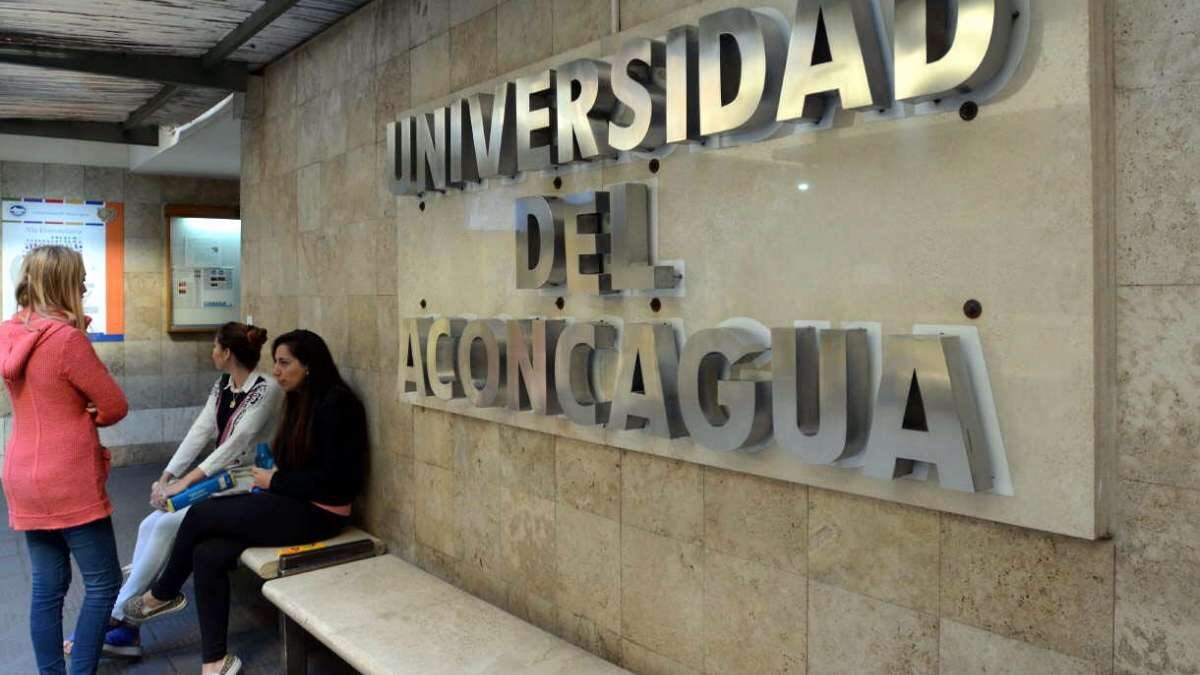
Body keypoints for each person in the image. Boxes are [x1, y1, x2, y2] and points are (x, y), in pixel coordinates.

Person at [123, 329, 367, 675]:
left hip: (321, 513)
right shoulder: (299, 399)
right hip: (288, 501)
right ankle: (215, 662)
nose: (277, 371)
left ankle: (162, 593)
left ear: (309, 365)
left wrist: (276, 480)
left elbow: (340, 483)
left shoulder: (338, 403)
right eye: (275, 363)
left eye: (285, 363)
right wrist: (275, 477)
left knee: (202, 515)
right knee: (206, 554)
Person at [71, 322, 282, 660]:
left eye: (215, 347)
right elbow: (200, 431)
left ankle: (117, 615)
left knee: (168, 524)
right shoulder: (224, 385)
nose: (212, 353)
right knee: (148, 524)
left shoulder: (266, 389)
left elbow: (239, 442)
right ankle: (126, 621)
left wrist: (186, 482)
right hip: (219, 481)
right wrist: (167, 475)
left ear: (227, 352)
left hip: (248, 484)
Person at [0, 245, 129, 674]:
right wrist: (91, 410)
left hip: (21, 472)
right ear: (65, 284)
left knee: (48, 586)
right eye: (80, 278)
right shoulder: (68, 341)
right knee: (103, 582)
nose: (86, 284)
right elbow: (114, 405)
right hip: (67, 475)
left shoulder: (9, 332)